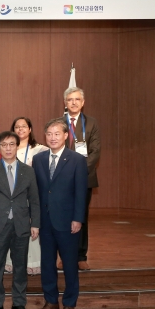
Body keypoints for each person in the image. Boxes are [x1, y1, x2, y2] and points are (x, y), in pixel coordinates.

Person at [32, 118, 88, 309]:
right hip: (45, 222)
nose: (53, 137)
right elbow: (36, 193)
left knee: (70, 263)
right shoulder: (38, 159)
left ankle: (70, 303)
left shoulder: (77, 160)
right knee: (47, 263)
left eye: (57, 133)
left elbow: (81, 193)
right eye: (49, 134)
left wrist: (78, 219)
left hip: (68, 221)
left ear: (66, 136)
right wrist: (35, 221)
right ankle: (51, 301)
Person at [0, 131, 40, 309]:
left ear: (17, 146)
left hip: (22, 225)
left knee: (20, 266)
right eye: (4, 145)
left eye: (12, 144)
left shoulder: (28, 171)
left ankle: (19, 304)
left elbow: (35, 199)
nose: (8, 148)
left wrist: (35, 223)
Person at [4, 117, 48, 276]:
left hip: (32, 194)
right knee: (12, 229)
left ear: (30, 129)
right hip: (12, 197)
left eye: (24, 126)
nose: (20, 129)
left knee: (31, 228)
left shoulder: (40, 150)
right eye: (17, 127)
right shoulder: (8, 148)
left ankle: (32, 264)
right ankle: (12, 263)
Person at [63, 87, 100, 271]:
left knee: (81, 217)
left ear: (83, 102)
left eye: (77, 99)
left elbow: (95, 152)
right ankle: (63, 256)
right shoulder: (58, 123)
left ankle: (80, 256)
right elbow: (53, 149)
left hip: (84, 178)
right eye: (70, 99)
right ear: (65, 102)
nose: (74, 102)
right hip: (61, 180)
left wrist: (78, 172)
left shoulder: (91, 123)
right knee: (62, 218)